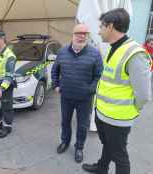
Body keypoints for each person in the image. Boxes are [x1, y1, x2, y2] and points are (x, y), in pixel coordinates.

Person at [82, 8, 152, 174]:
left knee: (120, 155)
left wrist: (133, 109)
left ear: (110, 26)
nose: (98, 31)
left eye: (101, 27)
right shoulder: (113, 48)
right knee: (108, 145)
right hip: (103, 113)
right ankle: (102, 167)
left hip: (118, 118)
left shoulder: (134, 54)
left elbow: (143, 94)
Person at [51, 24, 103, 163]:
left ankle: (79, 147)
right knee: (65, 122)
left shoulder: (95, 53)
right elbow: (55, 70)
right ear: (72, 35)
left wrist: (90, 90)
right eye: (79, 33)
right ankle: (65, 142)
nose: (82, 36)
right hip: (66, 97)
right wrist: (55, 85)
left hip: (85, 99)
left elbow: (99, 76)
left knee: (82, 125)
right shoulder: (62, 52)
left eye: (85, 34)